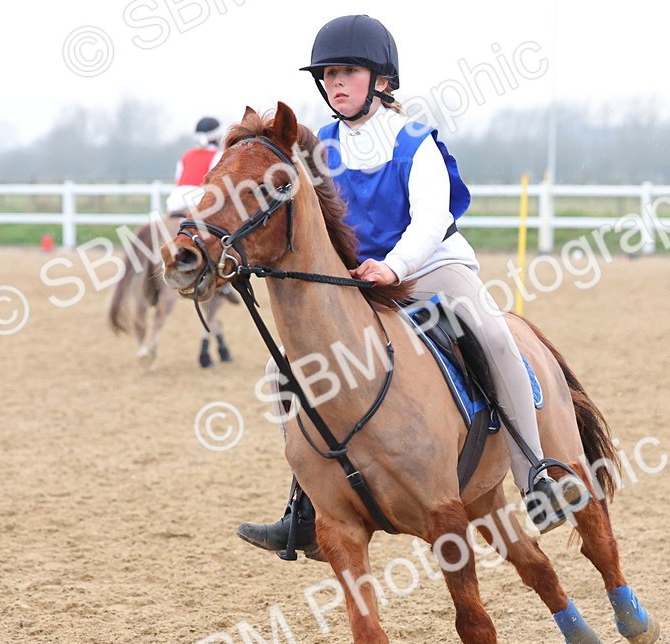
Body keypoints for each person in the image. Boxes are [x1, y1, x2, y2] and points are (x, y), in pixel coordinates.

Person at [236, 14, 589, 559]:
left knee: (493, 337)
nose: (335, 82)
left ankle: (536, 475)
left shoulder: (414, 141)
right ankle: (303, 508)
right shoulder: (316, 150)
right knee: (282, 371)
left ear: (381, 80)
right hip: (354, 281)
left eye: (348, 71)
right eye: (328, 74)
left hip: (429, 269)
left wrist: (395, 267)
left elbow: (429, 221)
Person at [166, 116, 223, 218]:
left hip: (175, 200)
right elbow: (214, 183)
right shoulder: (217, 155)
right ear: (217, 136)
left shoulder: (186, 155)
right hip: (198, 199)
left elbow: (178, 179)